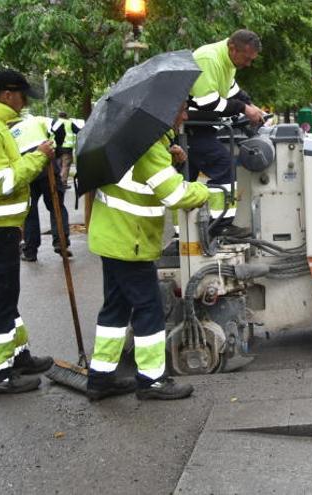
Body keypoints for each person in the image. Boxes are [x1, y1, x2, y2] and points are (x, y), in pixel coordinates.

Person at [86, 102, 209, 401]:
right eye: (180, 109)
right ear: (163, 112)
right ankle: (152, 380)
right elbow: (173, 194)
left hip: (112, 237)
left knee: (116, 308)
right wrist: (205, 190)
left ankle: (100, 378)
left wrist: (174, 164)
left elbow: (145, 182)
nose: (185, 115)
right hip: (131, 241)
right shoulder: (149, 145)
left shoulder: (133, 139)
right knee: (149, 308)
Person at [0, 69, 55, 394]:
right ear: (7, 95)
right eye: (22, 96)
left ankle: (19, 357)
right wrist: (37, 160)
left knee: (6, 297)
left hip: (3, 229)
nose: (24, 102)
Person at [188, 29, 264, 238]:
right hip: (192, 128)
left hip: (198, 128)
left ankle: (184, 235)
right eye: (246, 58)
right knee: (224, 168)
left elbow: (232, 92)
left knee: (185, 182)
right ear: (233, 48)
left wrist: (253, 107)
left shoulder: (227, 61)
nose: (247, 64)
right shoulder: (209, 59)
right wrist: (243, 108)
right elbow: (208, 102)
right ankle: (219, 226)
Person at [14, 115, 71, 261]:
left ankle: (30, 250)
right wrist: (57, 148)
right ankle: (60, 241)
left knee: (30, 211)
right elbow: (58, 126)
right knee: (56, 205)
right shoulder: (36, 119)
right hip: (46, 163)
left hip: (26, 167)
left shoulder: (7, 130)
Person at [50, 111, 80, 186]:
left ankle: (56, 182)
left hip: (56, 148)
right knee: (65, 166)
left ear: (59, 116)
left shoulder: (54, 122)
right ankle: (62, 183)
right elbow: (78, 131)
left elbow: (50, 133)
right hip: (66, 148)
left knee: (58, 166)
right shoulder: (69, 123)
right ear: (66, 116)